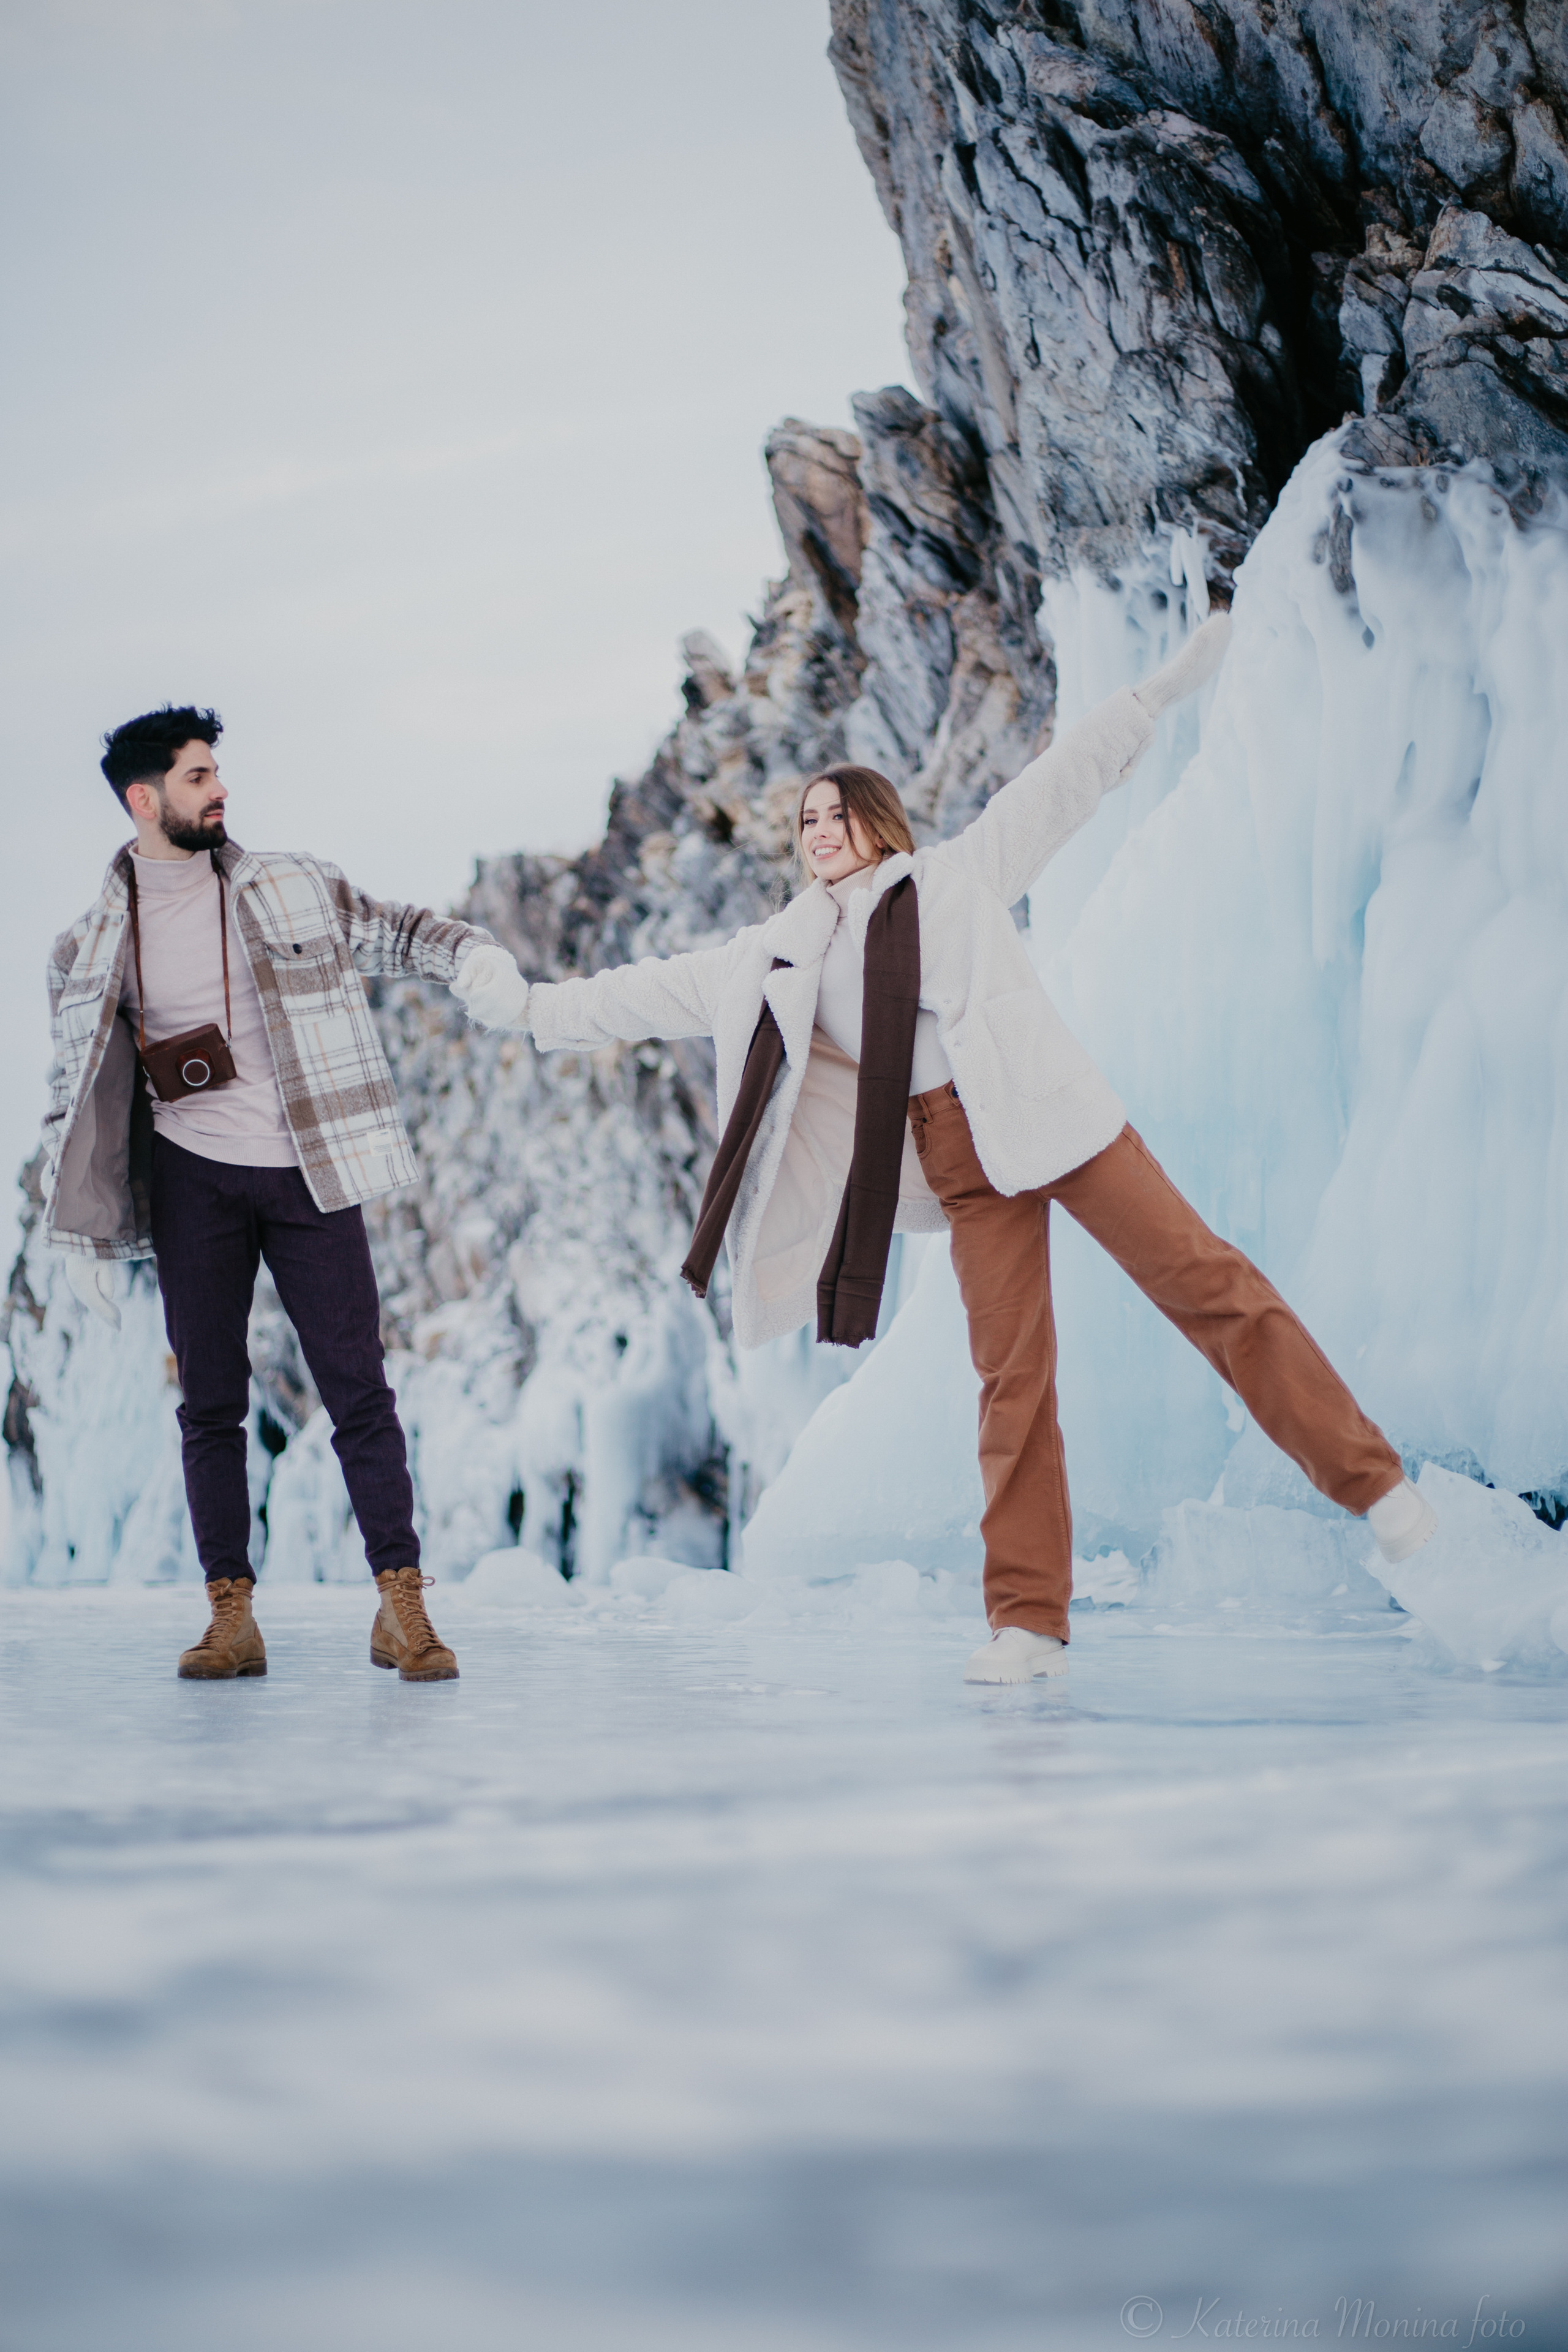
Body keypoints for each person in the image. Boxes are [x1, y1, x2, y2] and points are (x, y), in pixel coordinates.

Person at [466, 616, 1438, 1683]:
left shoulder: (954, 880)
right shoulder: (776, 955)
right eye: (806, 818)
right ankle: (1028, 1624)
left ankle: (1375, 1485)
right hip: (954, 1160)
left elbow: (1061, 786)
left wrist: (1155, 694)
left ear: (881, 824)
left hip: (1049, 1115)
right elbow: (643, 992)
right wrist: (528, 1009)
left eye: (838, 813)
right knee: (1010, 1382)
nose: (819, 828)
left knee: (1206, 1282)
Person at [40, 704, 529, 1683]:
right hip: (190, 1186)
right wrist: (81, 1239)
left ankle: (403, 1609)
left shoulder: (294, 885)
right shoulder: (86, 947)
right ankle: (232, 1618)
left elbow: (401, 931)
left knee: (360, 1390)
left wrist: (476, 959)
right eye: (194, 777)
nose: (219, 788)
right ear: (143, 800)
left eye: (217, 771)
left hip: (313, 1170)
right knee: (211, 1405)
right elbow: (71, 1096)